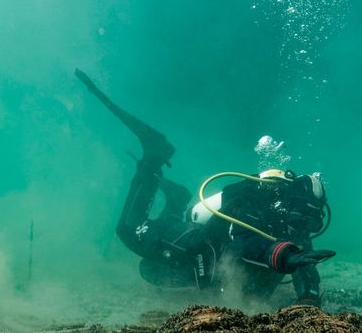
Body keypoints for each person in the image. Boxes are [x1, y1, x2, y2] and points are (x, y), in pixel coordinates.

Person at [77, 70, 333, 306]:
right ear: (290, 201)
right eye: (302, 215)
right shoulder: (259, 201)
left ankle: (176, 199)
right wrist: (283, 256)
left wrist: (309, 297)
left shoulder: (292, 223)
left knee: (150, 271)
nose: (303, 226)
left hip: (207, 258)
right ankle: (154, 156)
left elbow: (305, 261)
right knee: (128, 230)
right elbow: (242, 241)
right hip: (197, 241)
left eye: (310, 220)